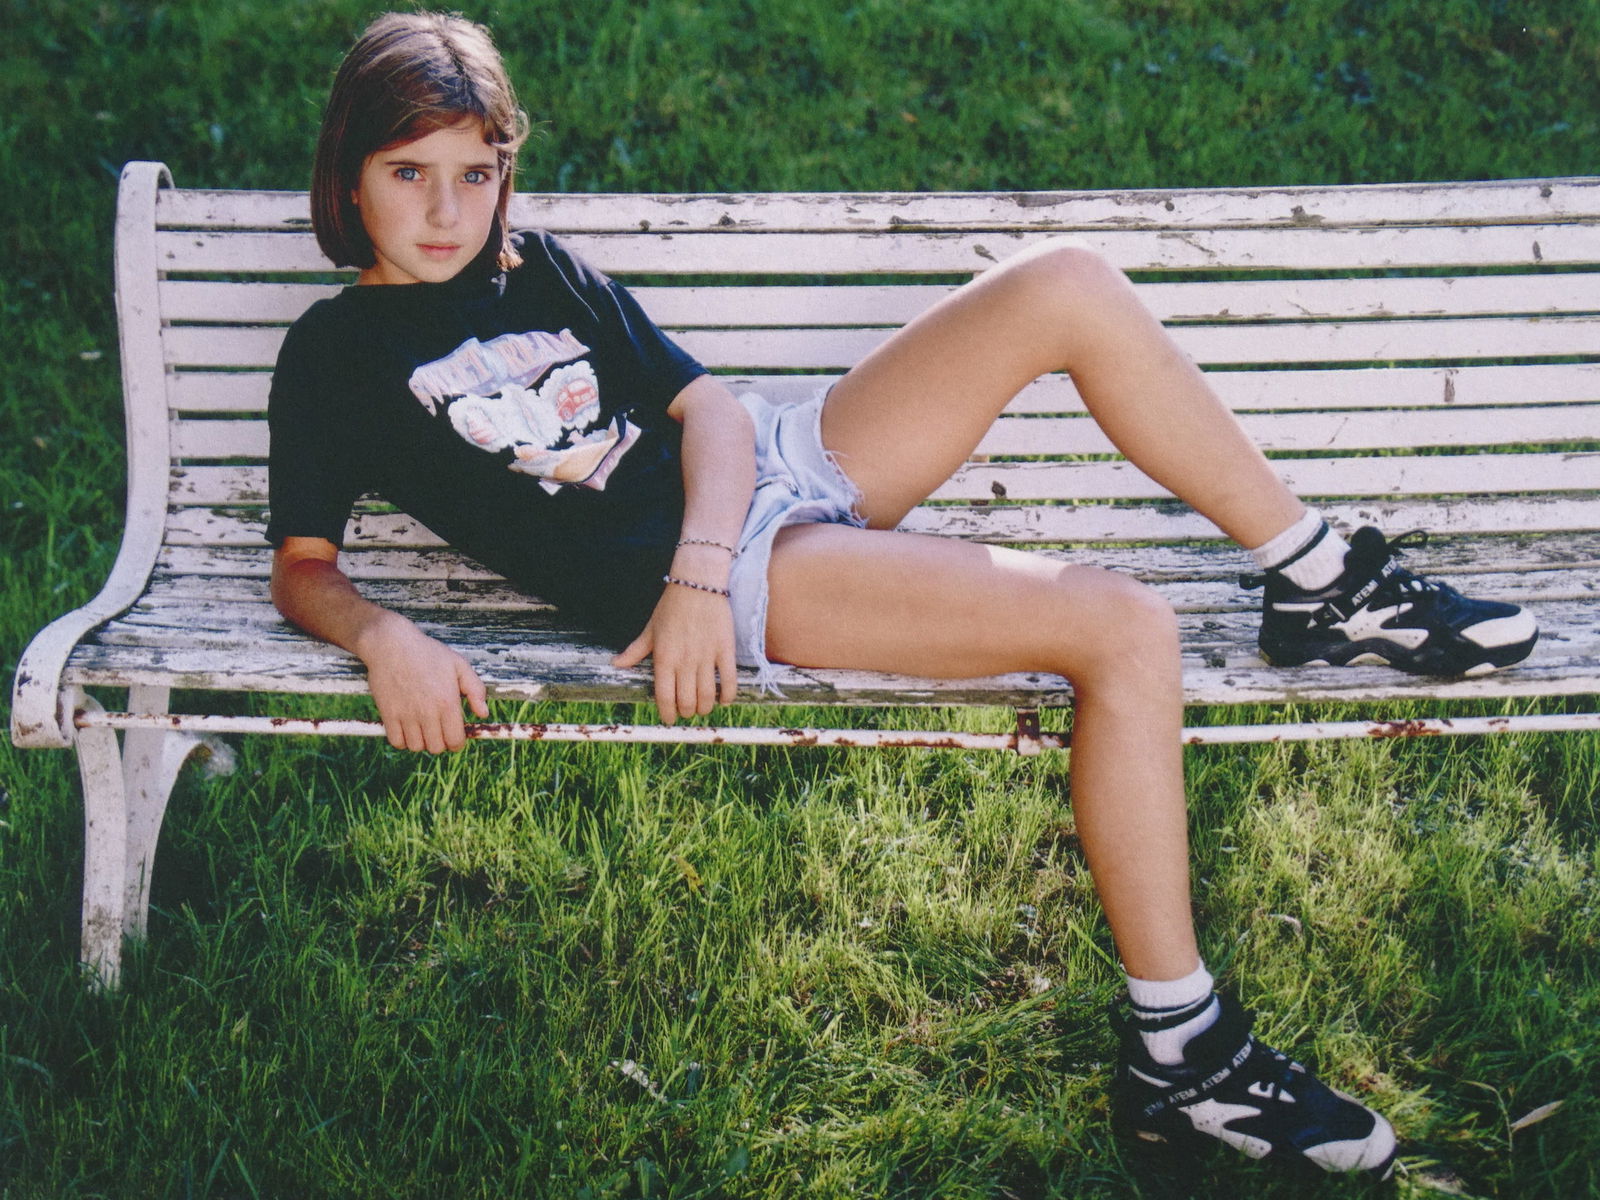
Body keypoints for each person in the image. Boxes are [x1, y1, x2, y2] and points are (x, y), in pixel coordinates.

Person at [268, 12, 1539, 1178]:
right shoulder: (334, 357)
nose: (446, 210)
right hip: (762, 574)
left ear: (505, 172)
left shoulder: (535, 268)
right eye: (409, 174)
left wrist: (700, 561)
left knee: (1068, 282)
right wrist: (391, 638)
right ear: (351, 175)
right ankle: (1183, 1051)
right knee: (1124, 626)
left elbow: (704, 410)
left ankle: (1320, 579)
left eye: (474, 173)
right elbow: (305, 566)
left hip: (759, 482)